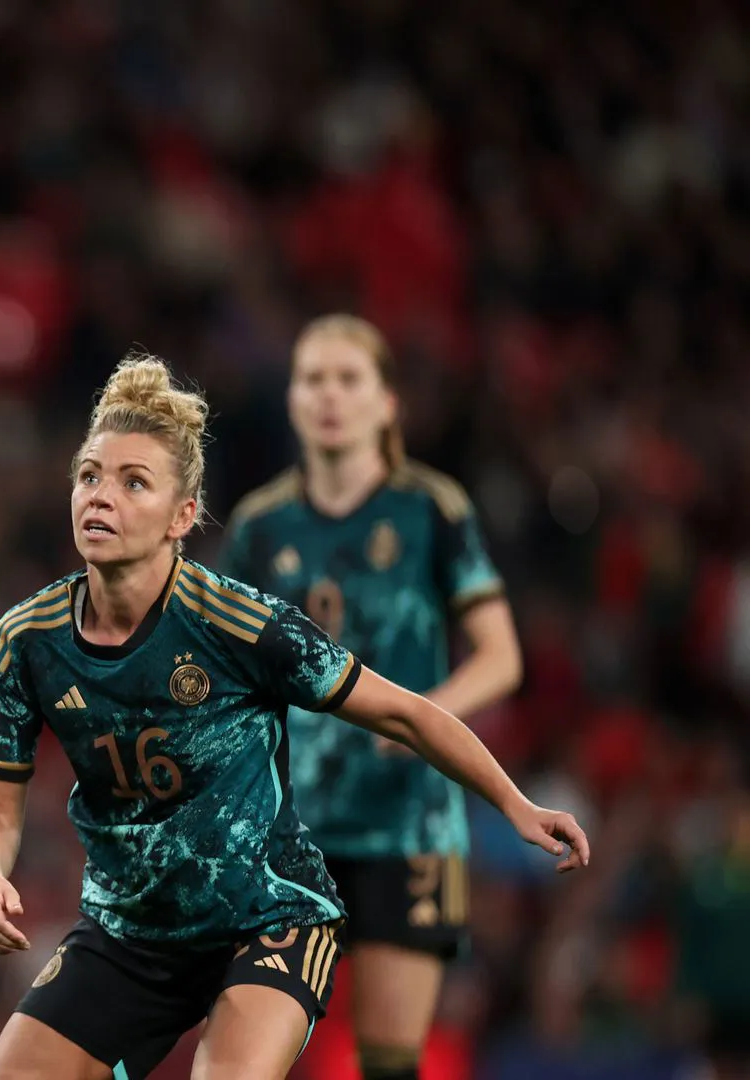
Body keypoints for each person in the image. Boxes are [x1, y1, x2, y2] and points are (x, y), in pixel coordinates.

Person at [0, 353, 585, 1080]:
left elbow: (406, 715)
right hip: (130, 933)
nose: (102, 496)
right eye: (91, 476)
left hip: (268, 919)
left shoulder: (241, 625)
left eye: (135, 483)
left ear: (182, 517)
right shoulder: (25, 641)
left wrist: (513, 803)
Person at [216, 314, 523, 1080]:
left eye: (348, 378)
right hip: (290, 831)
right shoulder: (258, 526)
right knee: (263, 1056)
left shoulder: (432, 510)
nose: (329, 395)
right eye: (312, 378)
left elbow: (501, 657)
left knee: (390, 1062)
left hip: (407, 822)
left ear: (387, 402)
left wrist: (424, 719)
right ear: (291, 400)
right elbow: (225, 666)